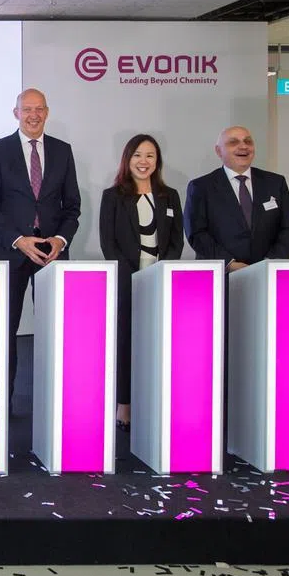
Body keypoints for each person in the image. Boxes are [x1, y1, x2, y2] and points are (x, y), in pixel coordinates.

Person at [0, 88, 81, 403]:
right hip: (10, 252)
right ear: (16, 113)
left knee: (57, 333)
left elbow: (72, 207)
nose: (33, 115)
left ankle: (55, 403)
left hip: (52, 255)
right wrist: (18, 240)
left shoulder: (63, 151)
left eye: (39, 109)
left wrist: (59, 240)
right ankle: (1, 402)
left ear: (47, 112)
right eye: (27, 109)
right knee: (3, 332)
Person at [99, 134, 184, 430]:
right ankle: (124, 404)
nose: (143, 161)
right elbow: (108, 243)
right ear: (127, 159)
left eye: (150, 155)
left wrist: (163, 271)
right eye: (137, 155)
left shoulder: (169, 196)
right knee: (126, 341)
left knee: (159, 342)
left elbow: (176, 241)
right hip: (127, 282)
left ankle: (156, 400)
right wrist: (133, 276)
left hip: (161, 281)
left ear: (157, 160)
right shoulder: (113, 196)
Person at [184, 126, 289, 270]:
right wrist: (229, 263)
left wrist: (270, 263)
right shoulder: (201, 187)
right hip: (220, 275)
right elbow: (196, 233)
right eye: (233, 142)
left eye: (248, 142)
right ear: (219, 151)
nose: (243, 146)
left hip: (266, 273)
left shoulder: (275, 183)